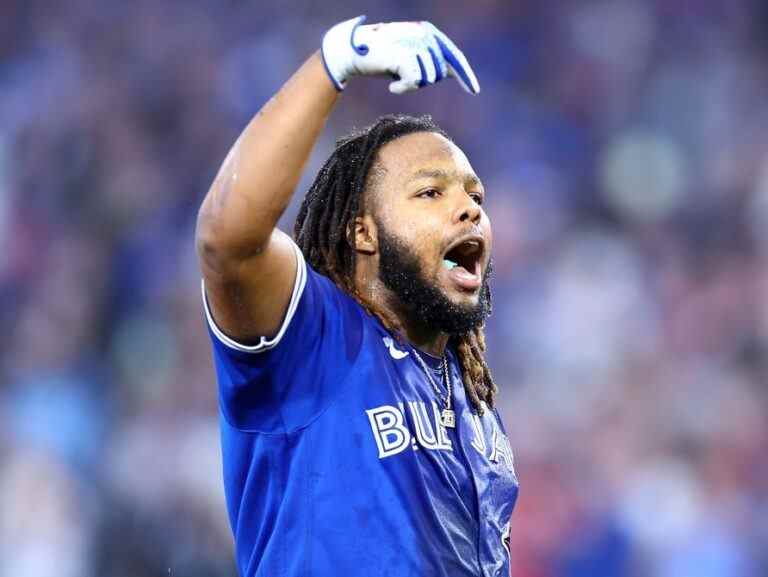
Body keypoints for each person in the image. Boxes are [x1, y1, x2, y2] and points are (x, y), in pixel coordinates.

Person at [196, 15, 518, 577]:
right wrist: (332, 62)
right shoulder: (313, 337)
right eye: (430, 192)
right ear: (361, 231)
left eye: (475, 195)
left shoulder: (476, 406)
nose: (470, 209)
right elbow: (228, 242)